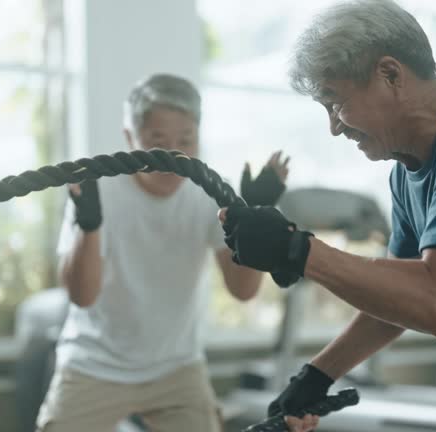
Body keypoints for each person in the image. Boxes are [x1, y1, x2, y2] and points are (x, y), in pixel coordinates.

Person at [218, 1, 436, 431]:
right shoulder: (407, 173)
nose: (333, 126)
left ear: (390, 75)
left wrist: (299, 250)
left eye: (335, 102)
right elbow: (399, 299)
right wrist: (318, 374)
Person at [35, 73, 291, 432]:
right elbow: (82, 296)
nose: (174, 155)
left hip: (176, 367)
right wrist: (89, 226)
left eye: (186, 140)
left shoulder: (210, 192)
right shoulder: (98, 190)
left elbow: (243, 291)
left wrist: (256, 221)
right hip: (95, 365)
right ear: (130, 138)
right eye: (158, 141)